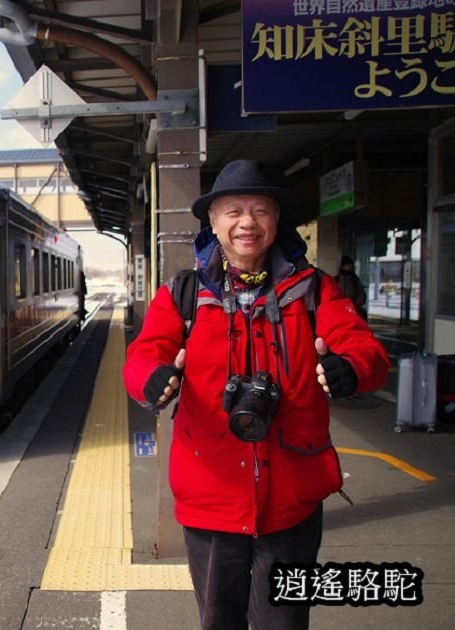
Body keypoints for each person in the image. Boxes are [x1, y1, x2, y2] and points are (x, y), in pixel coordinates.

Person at [123, 160, 390, 630]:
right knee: (218, 620)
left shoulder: (314, 291)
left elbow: (365, 350)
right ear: (214, 222)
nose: (247, 222)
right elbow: (145, 353)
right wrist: (151, 377)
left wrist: (351, 368)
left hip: (292, 498)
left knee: (284, 623)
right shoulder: (184, 293)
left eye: (260, 210)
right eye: (233, 211)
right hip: (211, 494)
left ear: (276, 220)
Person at [335, 255, 367, 319]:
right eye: (347, 266)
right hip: (338, 311)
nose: (349, 268)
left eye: (351, 266)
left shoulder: (355, 280)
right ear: (342, 267)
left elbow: (362, 295)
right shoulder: (336, 279)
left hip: (353, 311)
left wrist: (355, 305)